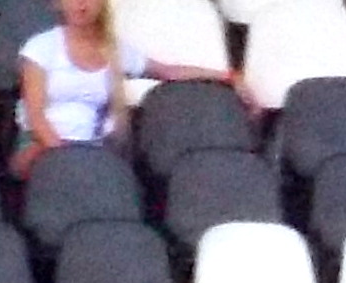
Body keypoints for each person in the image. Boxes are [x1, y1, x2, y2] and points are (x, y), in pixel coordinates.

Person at [16, 0, 243, 174]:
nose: (81, 3)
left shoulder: (114, 50)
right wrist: (65, 155)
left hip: (93, 146)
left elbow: (167, 72)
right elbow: (36, 117)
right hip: (42, 144)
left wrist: (227, 76)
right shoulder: (40, 47)